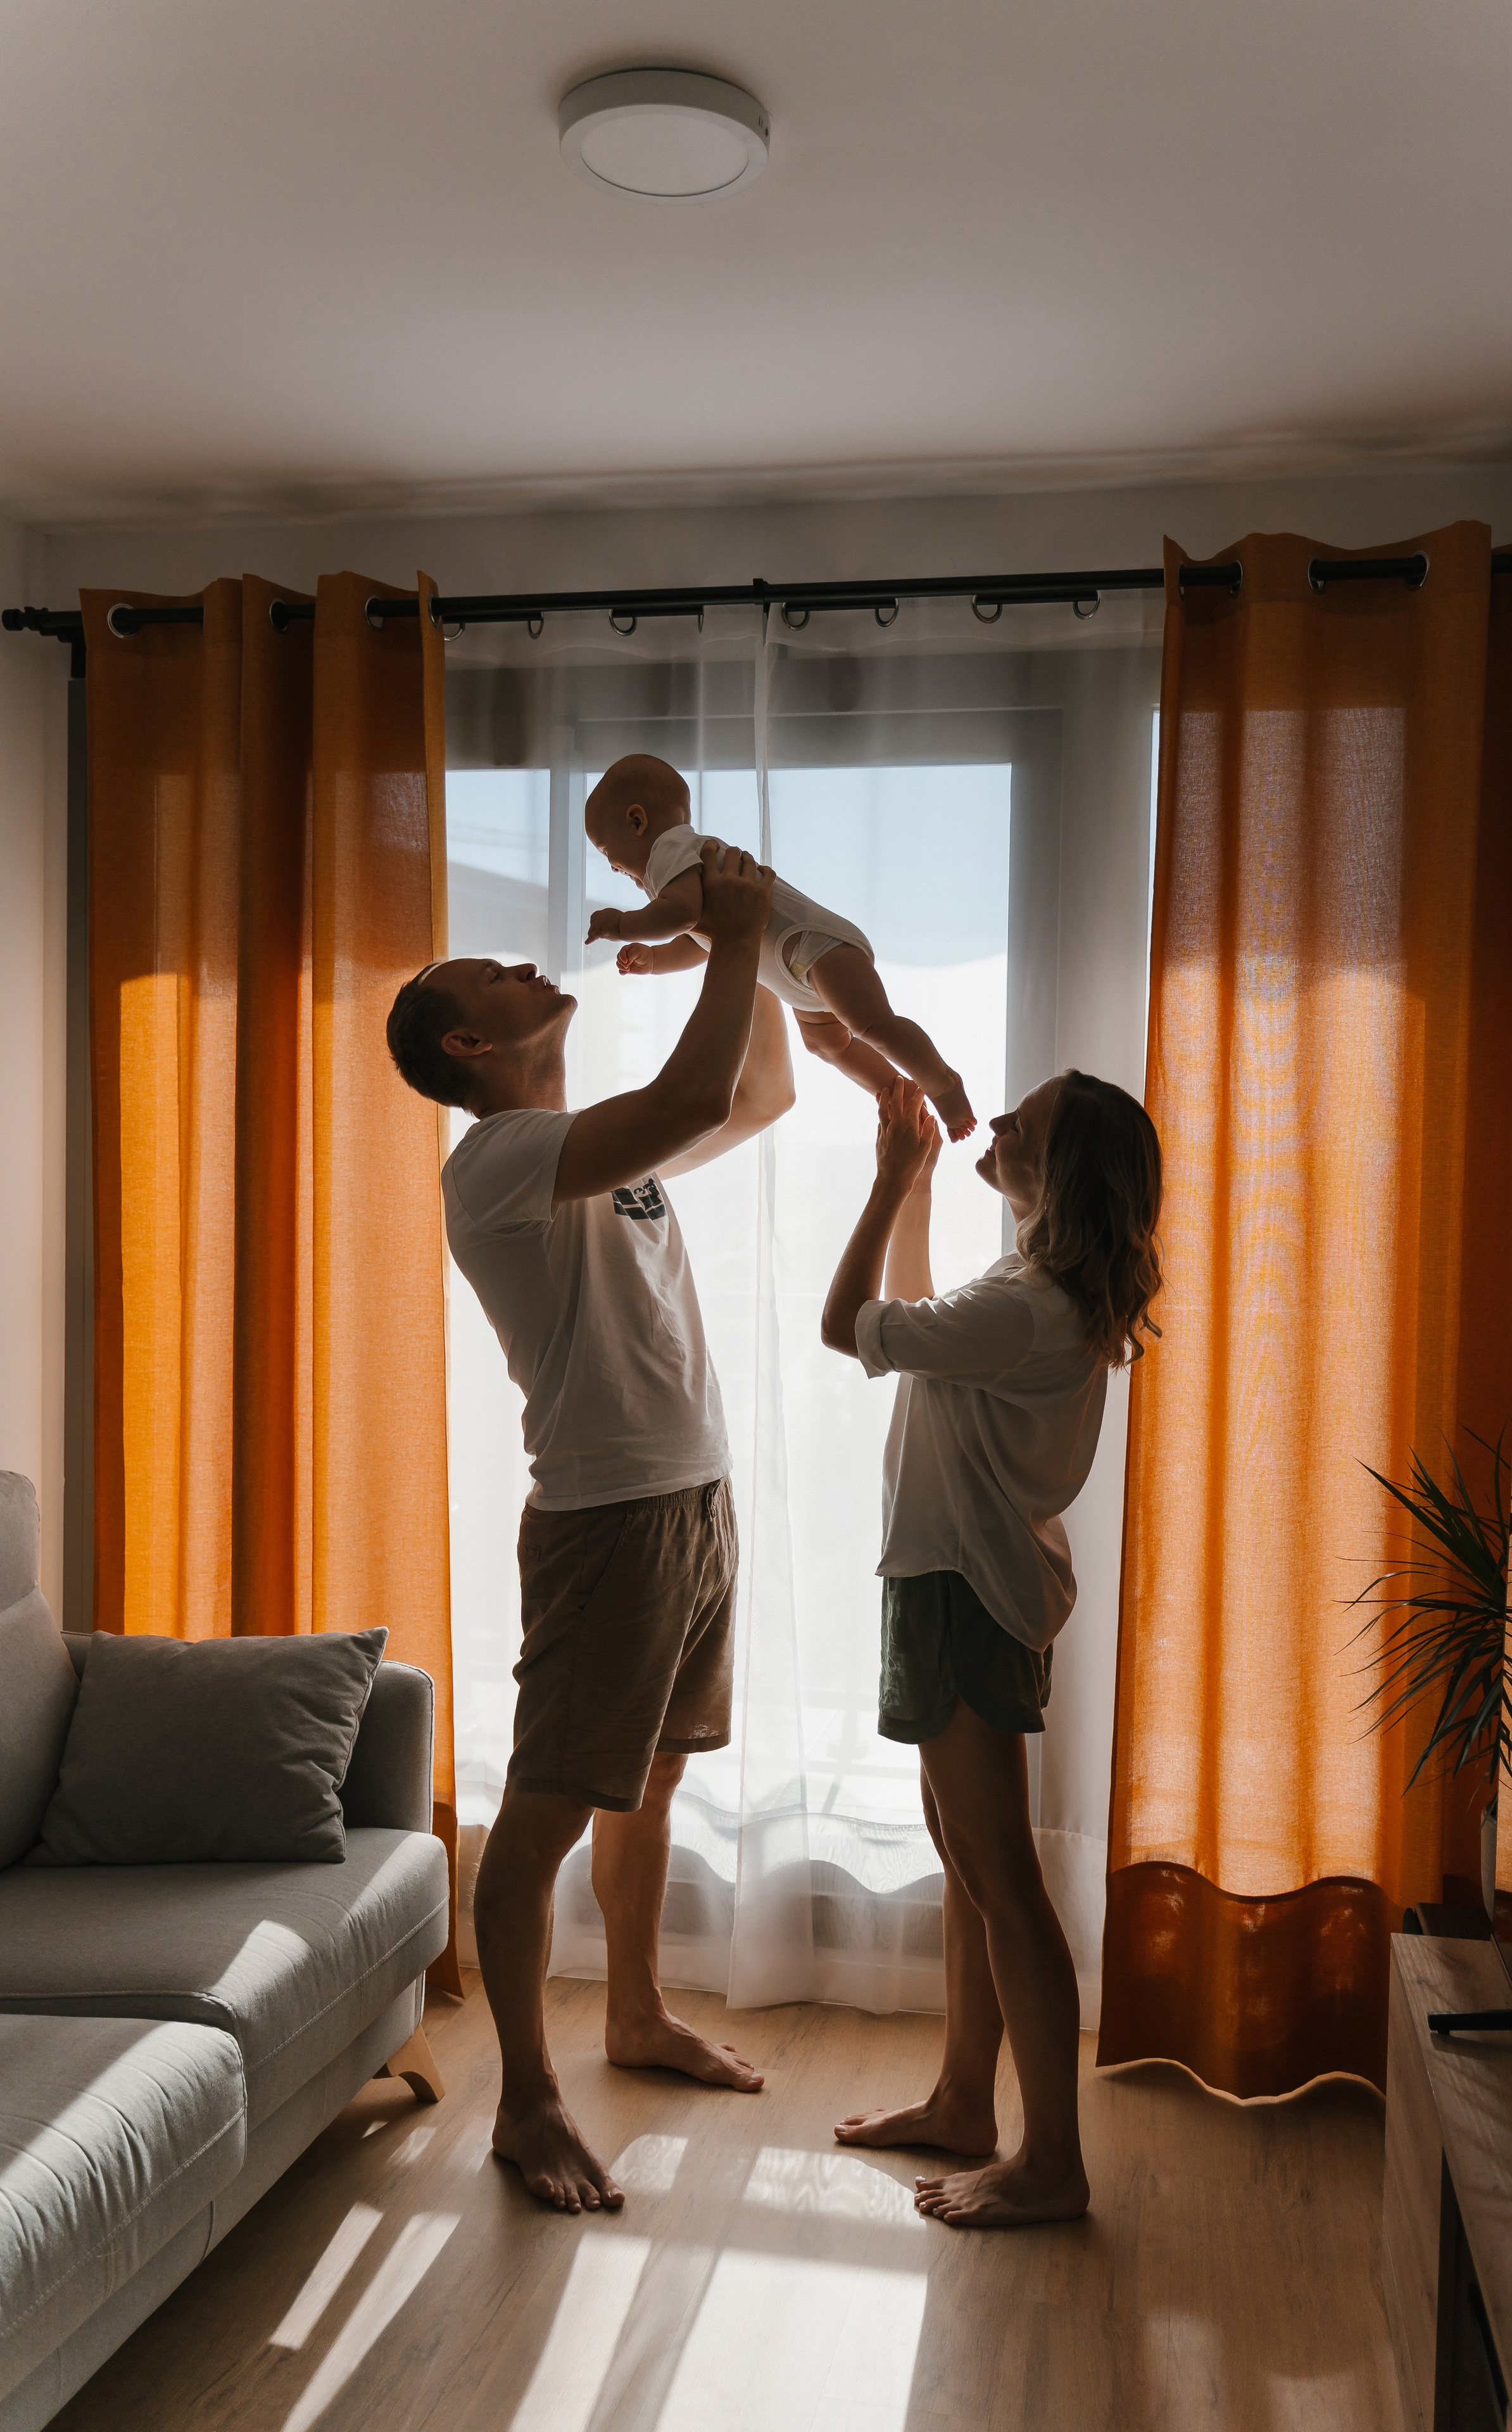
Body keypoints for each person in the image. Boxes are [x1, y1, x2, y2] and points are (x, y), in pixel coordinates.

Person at [386, 841, 793, 2216]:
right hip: (607, 1524)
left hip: (691, 1495)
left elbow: (753, 1090)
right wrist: (734, 933)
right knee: (549, 1810)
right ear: (469, 1042)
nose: (522, 964)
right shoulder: (495, 1162)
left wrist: (752, 948)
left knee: (656, 1777)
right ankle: (528, 2097)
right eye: (491, 977)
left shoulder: (592, 1150)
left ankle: (631, 2013)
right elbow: (691, 1089)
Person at [821, 1070, 1164, 2228]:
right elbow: (919, 1331)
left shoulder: (1028, 1305)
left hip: (963, 1593)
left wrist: (882, 1188)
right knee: (969, 1863)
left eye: (1027, 1122)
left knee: (1003, 1880)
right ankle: (967, 2099)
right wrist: (918, 1183)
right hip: (951, 1583)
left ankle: (1052, 2163)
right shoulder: (1030, 1288)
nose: (1001, 1123)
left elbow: (848, 1326)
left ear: (1060, 1175)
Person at [582, 754, 976, 1141]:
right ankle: (895, 1090)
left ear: (637, 821)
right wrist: (655, 960)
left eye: (605, 851)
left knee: (871, 1025)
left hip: (815, 946)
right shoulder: (680, 870)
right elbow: (705, 939)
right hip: (797, 968)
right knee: (825, 1043)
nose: (613, 867)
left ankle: (944, 1084)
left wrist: (620, 924)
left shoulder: (668, 850)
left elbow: (682, 916)